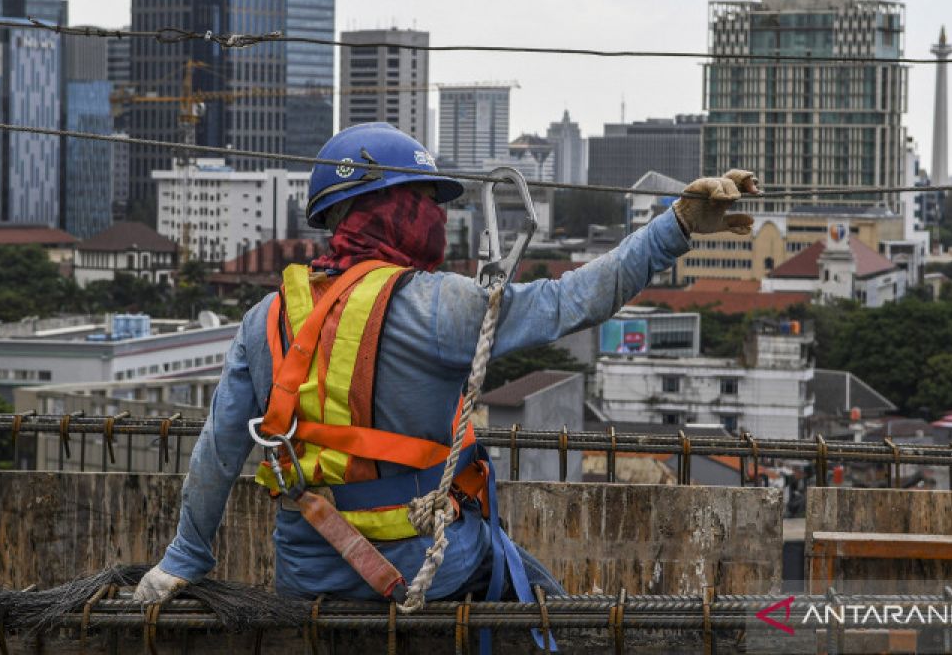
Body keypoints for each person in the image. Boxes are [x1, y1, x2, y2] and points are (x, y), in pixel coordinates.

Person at [134, 122, 758, 605]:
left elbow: (218, 452)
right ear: (390, 208)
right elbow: (574, 301)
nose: (436, 216)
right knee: (554, 607)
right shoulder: (437, 304)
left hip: (305, 569)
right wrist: (674, 226)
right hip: (426, 568)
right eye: (424, 201)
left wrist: (183, 560)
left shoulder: (266, 316)